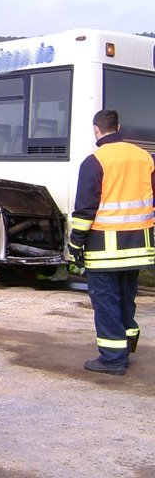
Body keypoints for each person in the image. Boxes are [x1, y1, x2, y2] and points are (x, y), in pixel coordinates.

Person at [68, 109, 155, 376]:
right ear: (119, 127)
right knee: (126, 299)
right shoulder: (145, 157)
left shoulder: (94, 161)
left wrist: (75, 245)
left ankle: (112, 359)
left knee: (106, 303)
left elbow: (85, 211)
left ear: (96, 130)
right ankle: (127, 343)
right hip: (138, 247)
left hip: (104, 250)